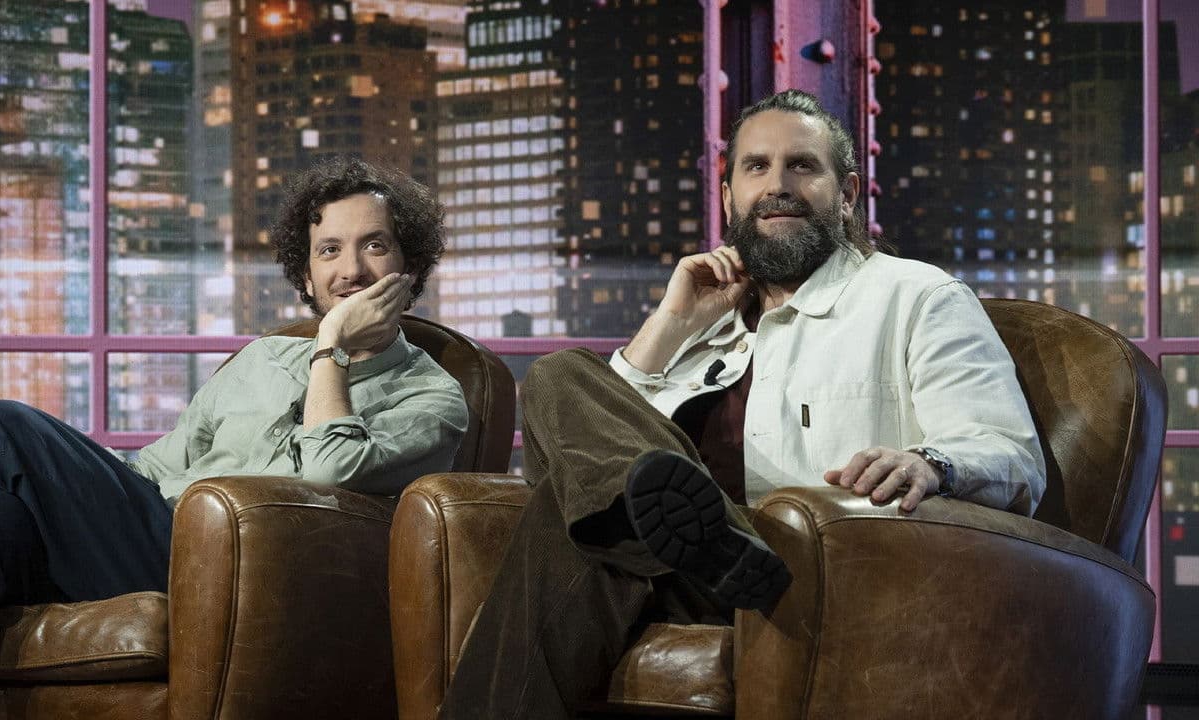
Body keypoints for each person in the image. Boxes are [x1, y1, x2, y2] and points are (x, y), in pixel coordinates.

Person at [437, 89, 1045, 719]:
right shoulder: (705, 326)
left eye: (801, 166)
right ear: (729, 198)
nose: (777, 185)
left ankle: (716, 542)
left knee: (576, 525)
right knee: (562, 385)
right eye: (756, 167)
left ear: (847, 194)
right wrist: (670, 324)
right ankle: (712, 545)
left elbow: (1009, 453)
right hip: (689, 577)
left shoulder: (916, 296)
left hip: (809, 571)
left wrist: (929, 463)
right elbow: (583, 463)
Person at [0, 157, 470, 710]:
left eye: (374, 245)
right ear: (306, 276)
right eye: (329, 250)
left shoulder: (431, 397)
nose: (350, 269)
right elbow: (155, 468)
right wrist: (67, 483)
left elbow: (329, 472)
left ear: (410, 265)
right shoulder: (261, 358)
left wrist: (332, 346)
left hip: (235, 576)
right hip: (146, 538)